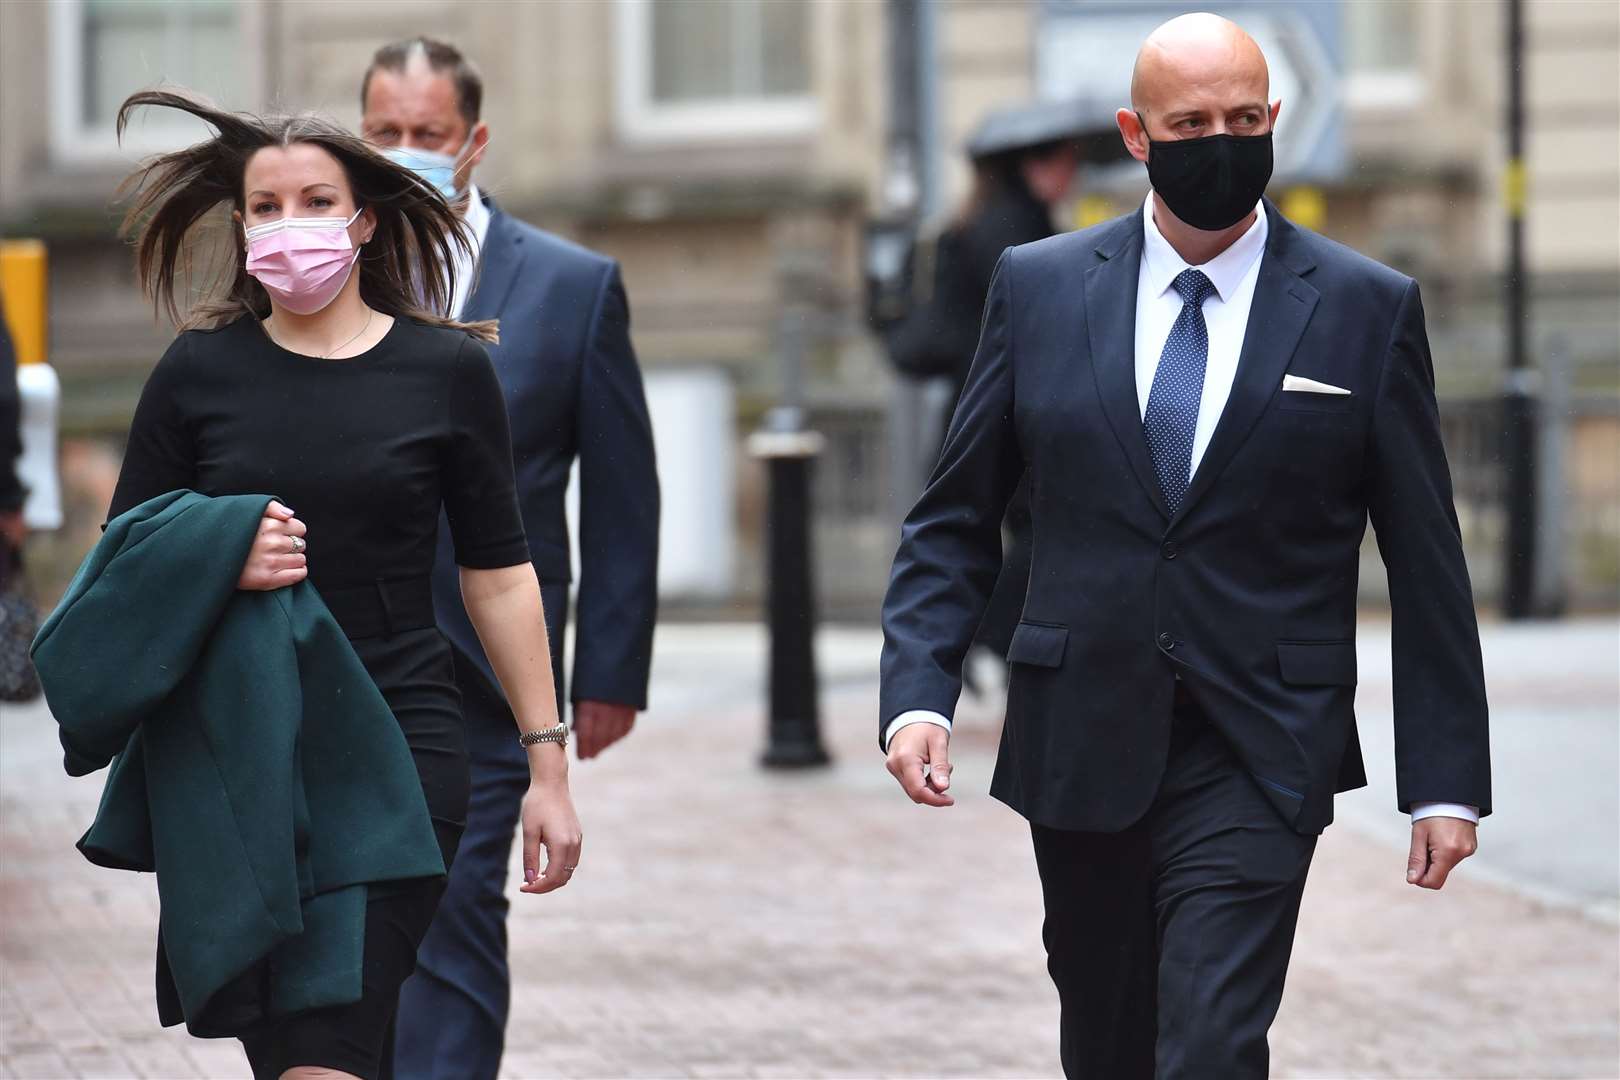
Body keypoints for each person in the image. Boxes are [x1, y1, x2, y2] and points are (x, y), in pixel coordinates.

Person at [878, 14, 1490, 1078]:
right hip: (1082, 736)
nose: (1223, 140)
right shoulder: (1038, 287)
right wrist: (918, 690)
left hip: (1262, 741)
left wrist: (1443, 779)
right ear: (1135, 134)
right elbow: (954, 513)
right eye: (1193, 122)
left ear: (1276, 122)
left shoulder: (1363, 308)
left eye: (1245, 119)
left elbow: (1426, 556)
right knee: (1110, 1047)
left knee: (1210, 1042)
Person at [105, 88, 584, 1080]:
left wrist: (547, 764)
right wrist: (219, 551)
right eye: (267, 207)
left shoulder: (446, 371)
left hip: (399, 751)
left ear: (362, 219)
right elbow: (122, 561)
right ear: (241, 229)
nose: (292, 227)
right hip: (238, 760)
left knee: (332, 1044)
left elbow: (498, 574)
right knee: (294, 1054)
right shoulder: (196, 374)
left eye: (315, 202)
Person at [356, 38, 659, 1080]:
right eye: (383, 135)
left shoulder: (572, 288)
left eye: (426, 136)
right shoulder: (321, 272)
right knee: (352, 931)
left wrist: (610, 672)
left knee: (451, 918)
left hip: (490, 670)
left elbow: (623, 492)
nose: (404, 155)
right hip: (343, 655)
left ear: (473, 142)